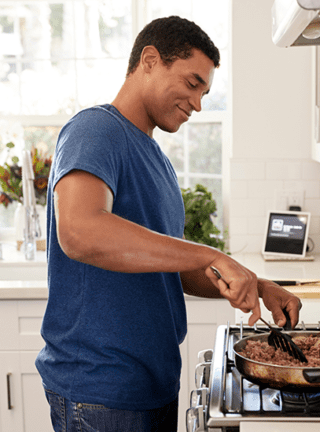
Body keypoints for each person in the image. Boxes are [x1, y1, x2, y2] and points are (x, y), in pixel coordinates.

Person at [35, 15, 302, 432]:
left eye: (205, 92)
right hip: (101, 391)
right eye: (193, 83)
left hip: (151, 384)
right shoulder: (96, 130)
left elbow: (171, 268)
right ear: (150, 60)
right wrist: (214, 254)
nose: (198, 103)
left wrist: (255, 283)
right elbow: (79, 231)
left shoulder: (155, 158)